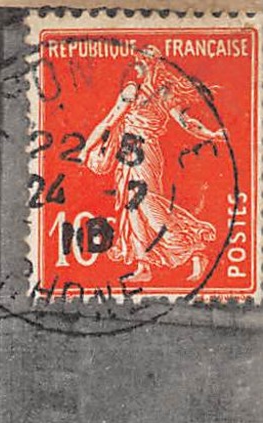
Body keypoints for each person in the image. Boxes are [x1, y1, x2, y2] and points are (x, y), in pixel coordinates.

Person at [83, 50, 225, 282]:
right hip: (127, 153)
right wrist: (87, 148)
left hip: (145, 151)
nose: (135, 66)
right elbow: (110, 121)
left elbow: (186, 122)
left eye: (140, 62)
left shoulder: (162, 93)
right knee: (132, 209)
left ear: (151, 65)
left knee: (147, 205)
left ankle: (194, 247)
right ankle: (143, 266)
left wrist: (212, 134)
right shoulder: (134, 91)